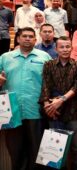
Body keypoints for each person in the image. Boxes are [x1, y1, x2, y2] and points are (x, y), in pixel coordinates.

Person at [0, 27, 51, 170]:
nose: (27, 39)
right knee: (16, 153)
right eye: (24, 36)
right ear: (17, 39)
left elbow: (51, 83)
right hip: (12, 114)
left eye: (31, 36)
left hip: (36, 112)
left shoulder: (44, 57)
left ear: (36, 40)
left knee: (36, 153)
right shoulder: (5, 58)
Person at [40, 36, 77, 170]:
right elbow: (45, 86)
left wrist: (61, 100)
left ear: (72, 48)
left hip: (73, 112)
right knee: (55, 150)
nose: (65, 49)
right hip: (54, 113)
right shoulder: (48, 64)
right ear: (56, 49)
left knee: (76, 149)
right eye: (62, 47)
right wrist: (47, 106)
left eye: (68, 46)